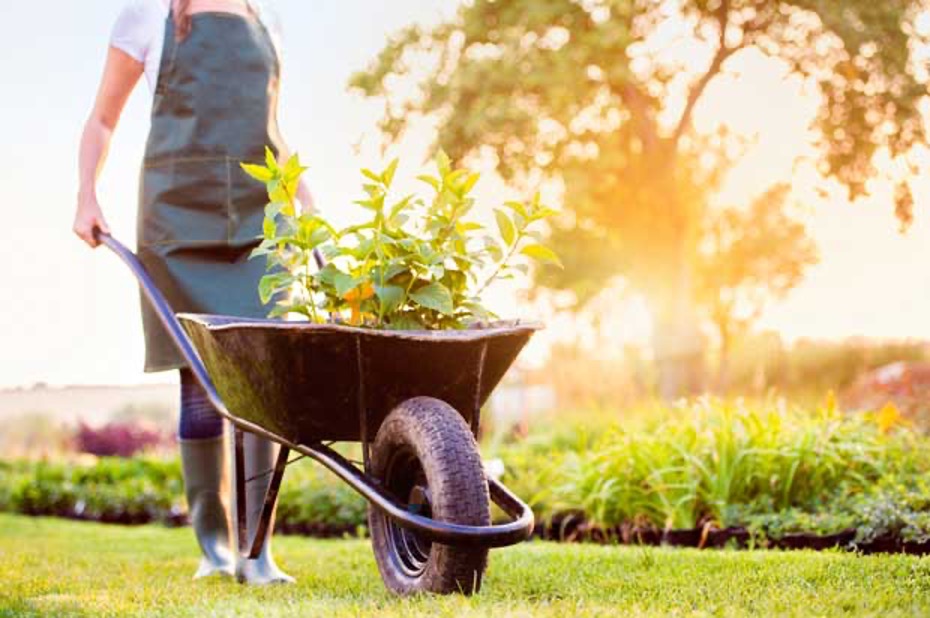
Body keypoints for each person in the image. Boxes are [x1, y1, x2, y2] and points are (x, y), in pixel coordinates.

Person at [73, 0, 314, 585]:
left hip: (261, 222)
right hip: (177, 220)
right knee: (200, 383)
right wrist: (87, 194)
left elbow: (274, 134)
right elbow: (104, 118)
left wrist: (309, 206)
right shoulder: (148, 18)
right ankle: (215, 549)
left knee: (262, 379)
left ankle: (257, 554)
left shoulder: (265, 22)